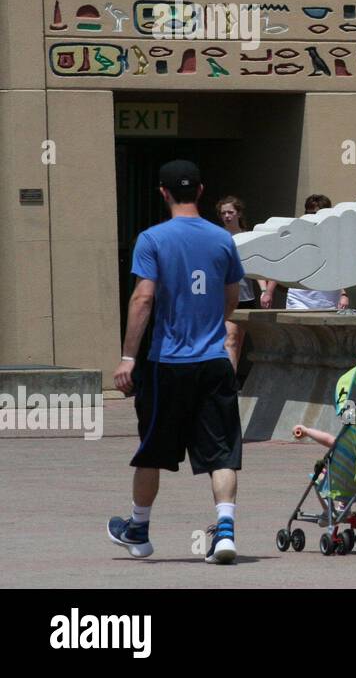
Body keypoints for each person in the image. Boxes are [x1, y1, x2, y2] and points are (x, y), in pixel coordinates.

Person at [108, 160, 246, 564]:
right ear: (201, 191)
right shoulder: (223, 240)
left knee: (152, 450)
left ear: (163, 193)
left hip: (167, 362)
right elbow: (232, 296)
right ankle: (224, 534)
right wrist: (214, 325)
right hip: (213, 361)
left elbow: (143, 298)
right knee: (221, 452)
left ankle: (139, 530)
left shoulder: (152, 238)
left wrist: (128, 356)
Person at [267, 194, 351, 310]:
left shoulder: (335, 237)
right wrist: (268, 292)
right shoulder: (295, 234)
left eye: (317, 213)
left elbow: (340, 268)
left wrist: (344, 294)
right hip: (298, 297)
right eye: (309, 213)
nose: (312, 217)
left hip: (327, 298)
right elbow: (282, 261)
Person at [217, 196, 268, 370]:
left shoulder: (248, 237)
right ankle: (229, 383)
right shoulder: (218, 237)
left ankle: (233, 376)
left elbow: (256, 266)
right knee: (230, 340)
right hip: (225, 297)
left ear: (238, 213)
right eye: (223, 213)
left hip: (246, 298)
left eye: (230, 212)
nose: (227, 216)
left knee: (238, 342)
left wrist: (263, 290)